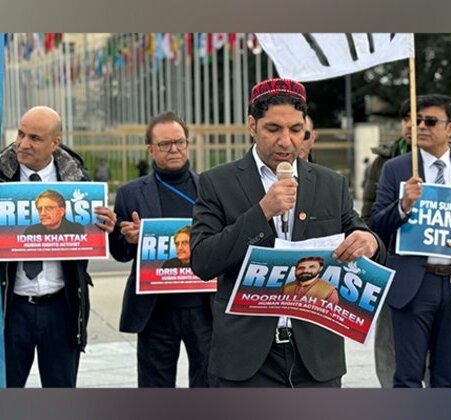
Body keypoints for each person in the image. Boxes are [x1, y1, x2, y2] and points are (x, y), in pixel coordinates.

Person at [190, 77, 386, 388]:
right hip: (247, 362)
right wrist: (261, 213)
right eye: (273, 129)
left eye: (296, 130)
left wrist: (370, 242)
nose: (286, 141)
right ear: (252, 125)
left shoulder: (331, 184)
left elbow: (361, 234)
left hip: (317, 359)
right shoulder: (217, 182)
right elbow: (202, 261)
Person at [370, 94, 451, 388]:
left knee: (447, 377)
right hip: (414, 285)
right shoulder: (395, 169)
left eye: (430, 121)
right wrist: (402, 206)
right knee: (407, 377)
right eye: (415, 121)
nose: (421, 126)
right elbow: (376, 225)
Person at [0, 106, 116, 388]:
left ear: (55, 143)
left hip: (61, 309)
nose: (23, 144)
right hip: (10, 308)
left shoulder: (78, 182)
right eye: (21, 134)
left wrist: (110, 227)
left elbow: (102, 241)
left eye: (35, 138)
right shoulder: (2, 178)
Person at [109, 111, 212, 388]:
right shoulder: (130, 194)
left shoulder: (210, 189)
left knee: (210, 387)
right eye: (165, 144)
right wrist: (128, 240)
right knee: (155, 390)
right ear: (150, 149)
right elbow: (119, 254)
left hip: (204, 309)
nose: (174, 149)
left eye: (179, 142)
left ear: (187, 144)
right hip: (154, 311)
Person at [360, 98, 412, 388]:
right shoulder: (384, 163)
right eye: (406, 118)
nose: (412, 126)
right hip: (394, 265)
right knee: (389, 341)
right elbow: (369, 215)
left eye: (424, 120)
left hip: (436, 271)